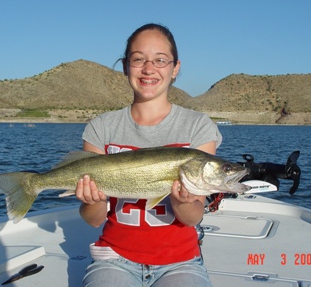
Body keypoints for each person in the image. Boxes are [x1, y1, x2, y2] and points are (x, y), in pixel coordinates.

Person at [76, 23, 222, 287]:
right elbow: (93, 219)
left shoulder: (198, 126)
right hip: (113, 258)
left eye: (160, 60)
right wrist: (92, 200)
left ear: (175, 68)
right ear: (125, 66)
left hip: (181, 262)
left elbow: (192, 217)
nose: (149, 68)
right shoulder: (101, 127)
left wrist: (184, 201)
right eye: (138, 59)